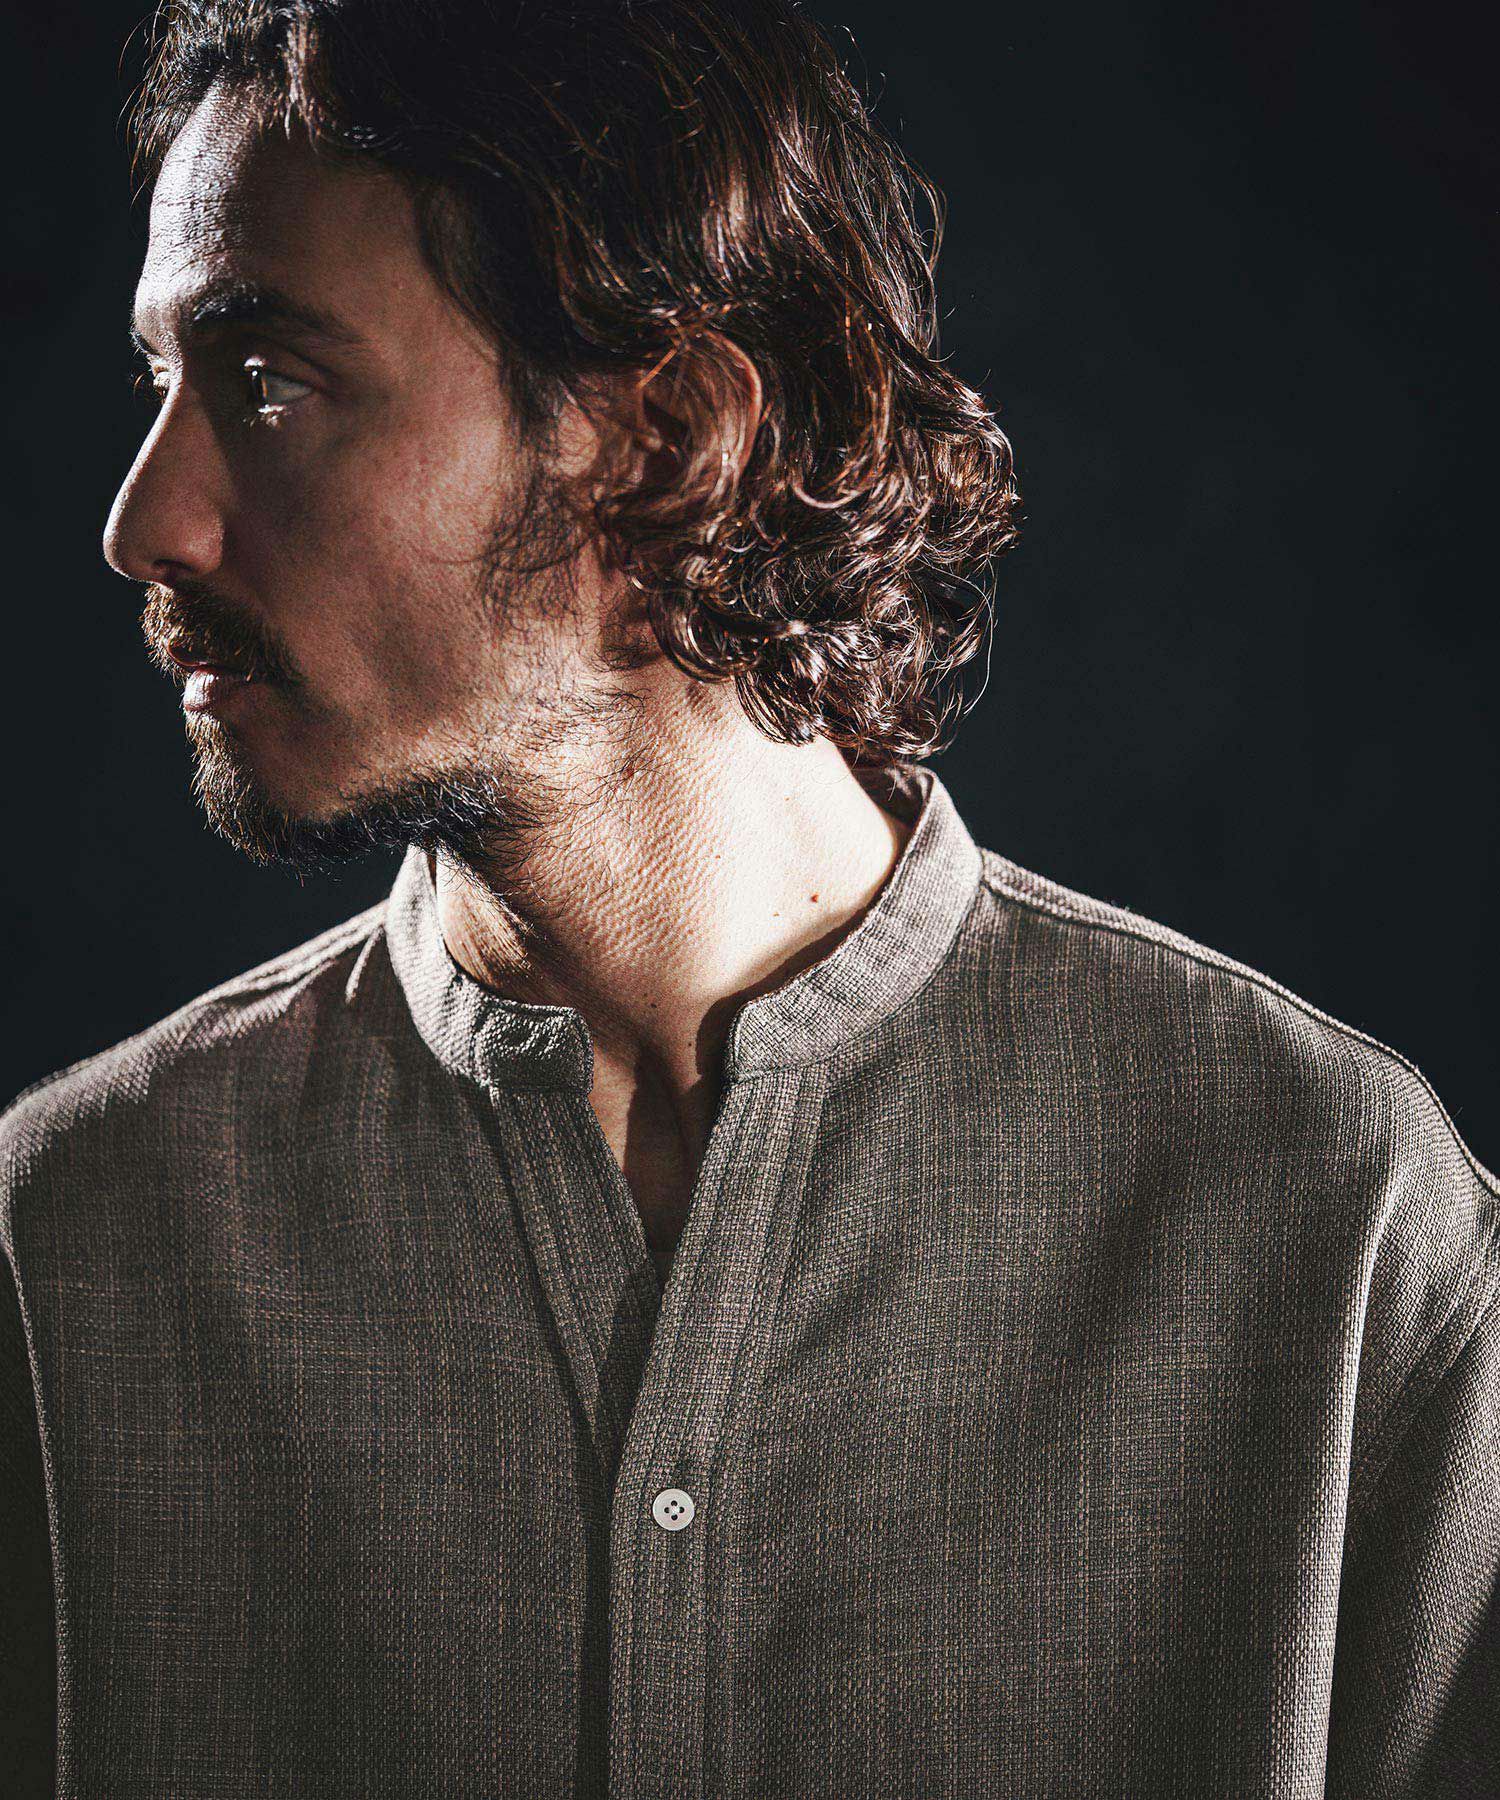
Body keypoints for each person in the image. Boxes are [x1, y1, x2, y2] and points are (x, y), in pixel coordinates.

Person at [1, 0, 1494, 1793]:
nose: (144, 522)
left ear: (669, 441)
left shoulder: (1332, 1223)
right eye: (157, 386)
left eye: (267, 382)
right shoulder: (60, 1253)